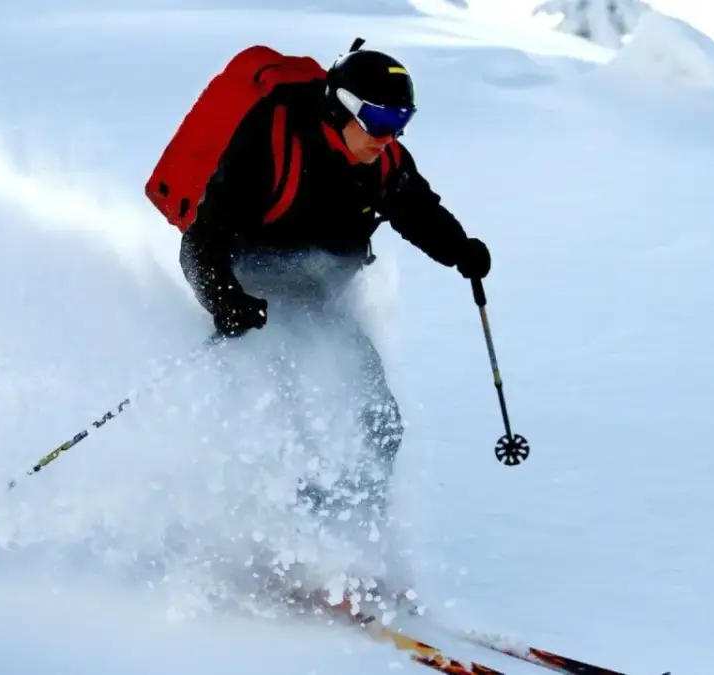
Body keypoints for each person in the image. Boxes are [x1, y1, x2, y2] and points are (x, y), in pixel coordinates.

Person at [177, 43, 493, 521]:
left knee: (379, 424)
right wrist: (225, 301)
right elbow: (201, 240)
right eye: (379, 121)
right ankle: (281, 543)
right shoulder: (273, 137)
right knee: (288, 423)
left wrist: (459, 250)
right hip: (253, 306)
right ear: (340, 106)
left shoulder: (383, 162)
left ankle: (354, 543)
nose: (389, 137)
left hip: (319, 307)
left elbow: (418, 212)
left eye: (401, 122)